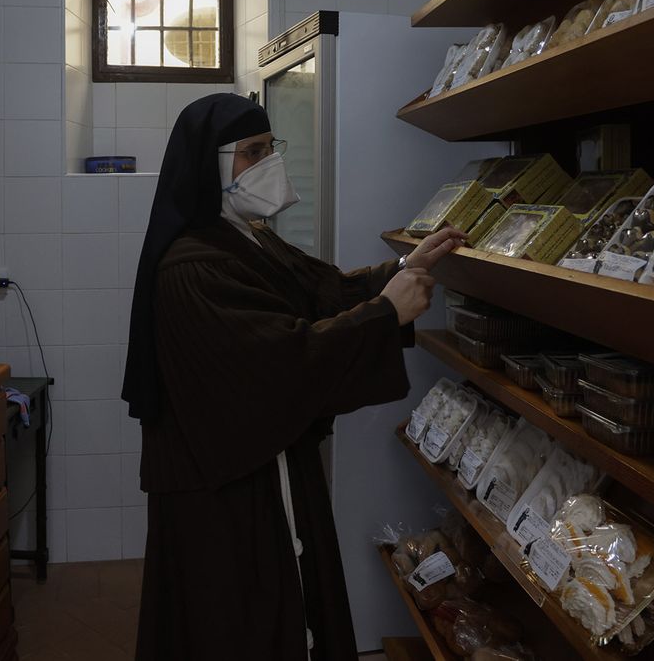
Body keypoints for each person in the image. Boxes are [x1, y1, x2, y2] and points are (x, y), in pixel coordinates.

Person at [124, 93, 466, 660]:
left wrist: (403, 271)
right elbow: (276, 360)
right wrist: (385, 314)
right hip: (230, 488)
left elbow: (320, 291)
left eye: (270, 148)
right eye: (251, 152)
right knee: (239, 622)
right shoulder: (191, 263)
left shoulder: (242, 236)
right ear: (209, 163)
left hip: (264, 464)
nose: (269, 164)